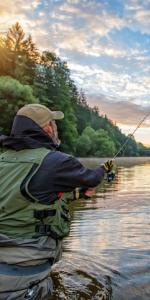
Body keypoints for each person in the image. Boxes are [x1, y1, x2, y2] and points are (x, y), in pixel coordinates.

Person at [0, 104, 114, 299]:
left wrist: (78, 195)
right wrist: (104, 168)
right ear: (46, 129)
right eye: (54, 123)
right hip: (23, 277)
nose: (56, 129)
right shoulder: (56, 161)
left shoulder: (4, 159)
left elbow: (28, 198)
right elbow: (92, 179)